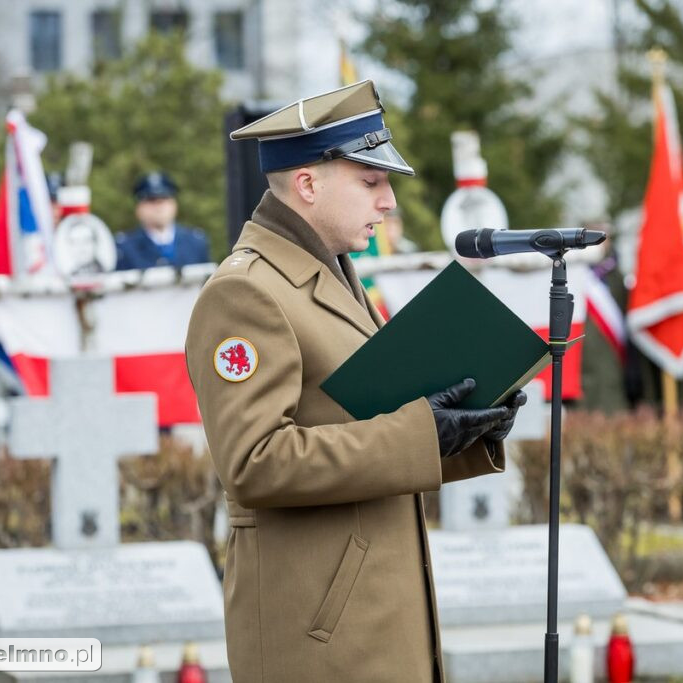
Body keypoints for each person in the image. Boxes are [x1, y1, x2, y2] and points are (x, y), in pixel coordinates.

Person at [185, 80, 526, 682]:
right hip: (316, 632)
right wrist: (422, 433)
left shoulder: (334, 273)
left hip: (365, 616)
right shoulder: (246, 292)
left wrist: (466, 427)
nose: (388, 202)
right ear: (308, 184)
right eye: (371, 182)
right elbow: (255, 462)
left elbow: (357, 421)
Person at [578, 226, 630, 413]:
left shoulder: (616, 275)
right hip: (583, 347)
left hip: (612, 351)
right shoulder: (575, 272)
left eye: (604, 237)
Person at [115, 171, 210, 270]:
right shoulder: (124, 248)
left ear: (174, 205)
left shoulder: (195, 242)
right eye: (151, 200)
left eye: (164, 199)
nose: (159, 207)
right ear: (139, 208)